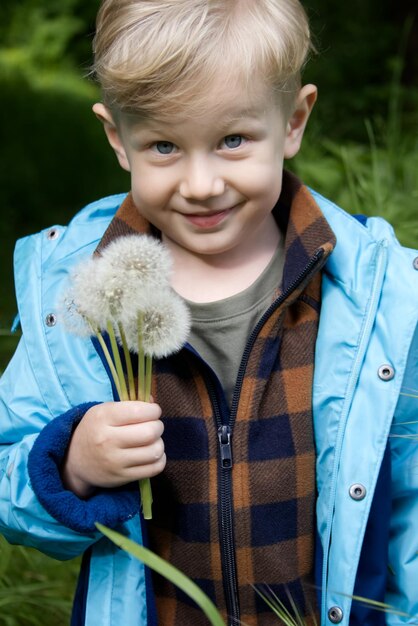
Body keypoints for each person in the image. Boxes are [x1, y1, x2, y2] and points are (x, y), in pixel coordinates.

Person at [0, 1, 417, 625]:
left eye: (233, 140)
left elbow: (410, 499)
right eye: (164, 145)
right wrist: (74, 466)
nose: (200, 184)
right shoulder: (76, 294)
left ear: (295, 121)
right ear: (118, 137)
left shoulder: (375, 295)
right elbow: (12, 493)